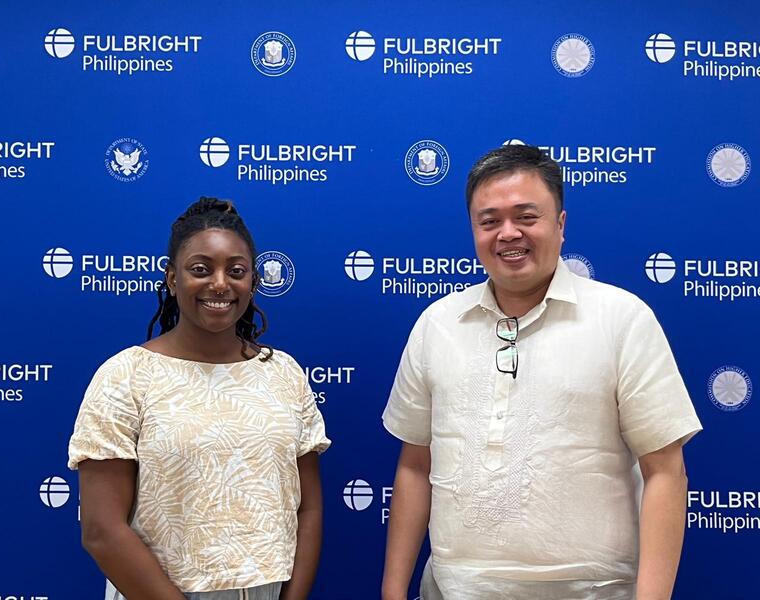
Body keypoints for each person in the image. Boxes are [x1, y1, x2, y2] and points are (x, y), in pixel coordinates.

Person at [380, 145, 702, 600]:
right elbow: (415, 465)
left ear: (561, 225)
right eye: (489, 221)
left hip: (594, 589)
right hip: (455, 588)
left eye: (526, 217)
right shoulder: (437, 324)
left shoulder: (622, 318)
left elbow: (666, 472)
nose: (508, 233)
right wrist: (393, 590)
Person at [68, 197, 330, 600]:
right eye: (201, 269)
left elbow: (308, 509)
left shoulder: (283, 373)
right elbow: (102, 530)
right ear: (173, 279)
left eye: (236, 271)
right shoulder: (125, 376)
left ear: (253, 282)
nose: (220, 284)